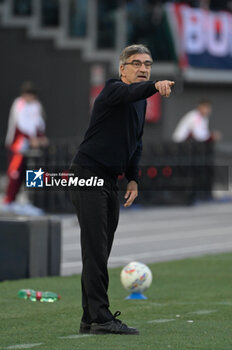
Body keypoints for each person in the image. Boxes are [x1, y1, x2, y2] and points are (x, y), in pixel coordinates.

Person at [70, 44, 175, 335]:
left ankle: (90, 317)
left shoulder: (139, 100)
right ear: (122, 69)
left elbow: (136, 142)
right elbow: (133, 93)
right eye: (137, 63)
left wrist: (132, 178)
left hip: (109, 179)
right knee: (94, 250)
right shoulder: (113, 90)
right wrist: (155, 85)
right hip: (87, 175)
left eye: (148, 64)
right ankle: (102, 319)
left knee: (100, 252)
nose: (143, 68)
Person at [2, 81, 48, 215]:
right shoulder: (19, 104)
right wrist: (30, 138)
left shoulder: (36, 105)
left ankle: (31, 201)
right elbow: (21, 124)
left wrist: (40, 137)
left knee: (34, 171)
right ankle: (10, 200)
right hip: (18, 146)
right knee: (15, 174)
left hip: (32, 147)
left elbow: (39, 123)